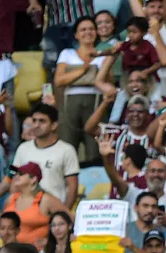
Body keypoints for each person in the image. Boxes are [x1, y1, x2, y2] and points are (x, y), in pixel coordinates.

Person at [0, 104, 80, 212]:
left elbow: (72, 187)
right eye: (34, 120)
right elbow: (14, 178)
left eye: (42, 121)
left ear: (54, 125)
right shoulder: (23, 148)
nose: (36, 125)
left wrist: (63, 214)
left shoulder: (67, 150)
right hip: (25, 212)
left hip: (53, 211)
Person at [53, 16, 106, 162]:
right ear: (76, 35)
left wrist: (73, 75)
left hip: (95, 103)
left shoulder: (102, 55)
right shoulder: (67, 53)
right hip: (70, 103)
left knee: (94, 149)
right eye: (83, 29)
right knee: (67, 148)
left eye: (91, 29)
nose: (87, 32)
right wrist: (84, 70)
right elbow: (59, 80)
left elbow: (108, 82)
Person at [3, 162, 67, 248]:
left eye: (21, 174)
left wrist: (50, 242)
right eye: (15, 174)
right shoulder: (10, 199)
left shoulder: (46, 200)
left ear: (33, 179)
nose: (16, 176)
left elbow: (70, 221)